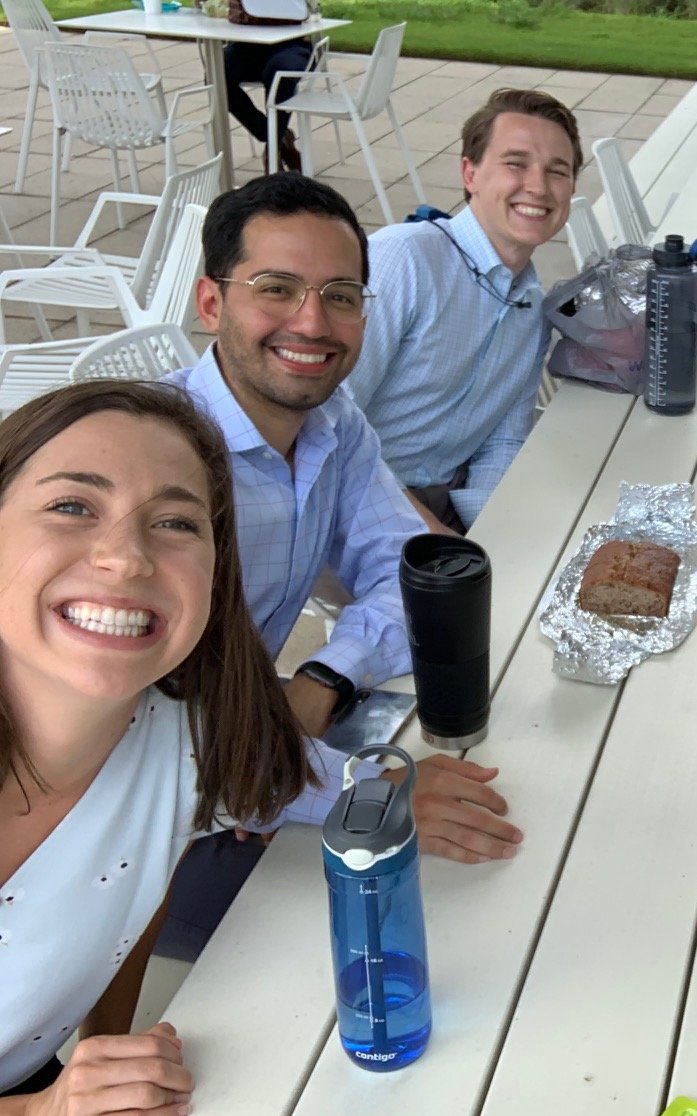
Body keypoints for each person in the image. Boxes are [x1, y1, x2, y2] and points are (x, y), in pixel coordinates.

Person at [158, 173, 521, 960]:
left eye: (343, 295)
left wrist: (322, 681)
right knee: (429, 936)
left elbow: (407, 579)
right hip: (127, 850)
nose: (313, 322)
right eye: (277, 288)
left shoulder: (331, 422)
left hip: (250, 769)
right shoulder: (160, 469)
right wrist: (363, 798)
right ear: (212, 304)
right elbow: (156, 735)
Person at [0, 380, 316, 1116]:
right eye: (73, 506)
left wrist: (104, 1050)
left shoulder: (188, 738)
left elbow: (131, 885)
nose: (125, 558)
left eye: (175, 522)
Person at [343, 89, 581, 535]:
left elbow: (503, 442)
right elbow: (331, 424)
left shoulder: (530, 305)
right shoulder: (405, 261)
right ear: (469, 173)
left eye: (558, 171)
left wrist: (493, 534)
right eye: (516, 164)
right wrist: (435, 537)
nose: (538, 186)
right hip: (349, 498)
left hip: (446, 496)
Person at [224, 43, 308, 174]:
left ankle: (273, 150)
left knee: (280, 70)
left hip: (292, 44)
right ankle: (274, 135)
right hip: (246, 44)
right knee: (218, 69)